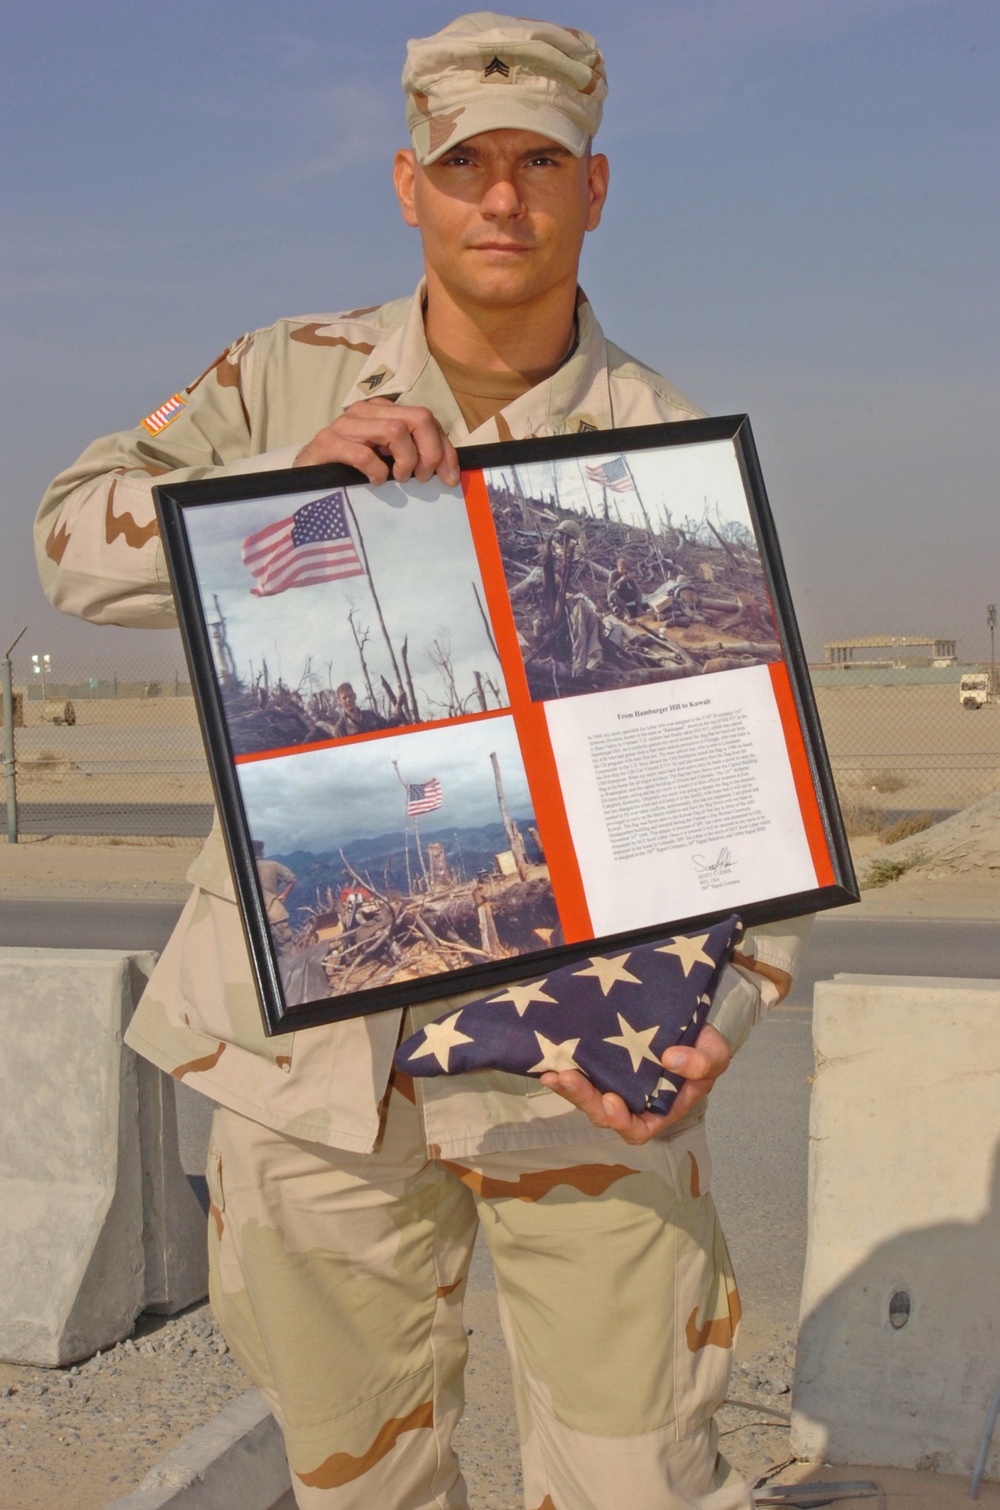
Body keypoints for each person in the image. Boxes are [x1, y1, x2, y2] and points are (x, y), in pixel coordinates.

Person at [34, 15, 811, 1508]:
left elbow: (751, 787)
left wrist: (721, 1011)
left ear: (597, 188)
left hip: (577, 1070)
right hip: (307, 1071)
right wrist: (283, 487)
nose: (502, 199)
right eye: (467, 164)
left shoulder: (657, 455)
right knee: (360, 1485)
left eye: (540, 163)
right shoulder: (283, 379)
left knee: (635, 1480)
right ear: (408, 183)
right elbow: (70, 539)